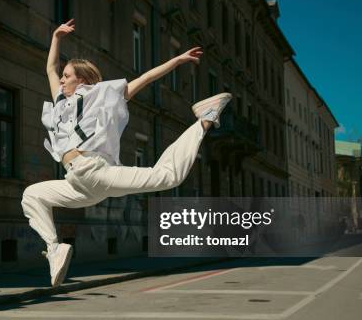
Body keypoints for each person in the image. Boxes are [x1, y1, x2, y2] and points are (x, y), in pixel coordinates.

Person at [21, 19, 232, 287]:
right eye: (62, 77)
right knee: (32, 195)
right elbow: (50, 69)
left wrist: (177, 61)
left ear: (82, 80)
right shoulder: (61, 101)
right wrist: (55, 37)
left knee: (167, 177)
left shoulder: (103, 97)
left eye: (67, 76)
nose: (61, 80)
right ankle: (54, 249)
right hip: (78, 184)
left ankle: (205, 118)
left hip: (94, 170)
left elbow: (145, 78)